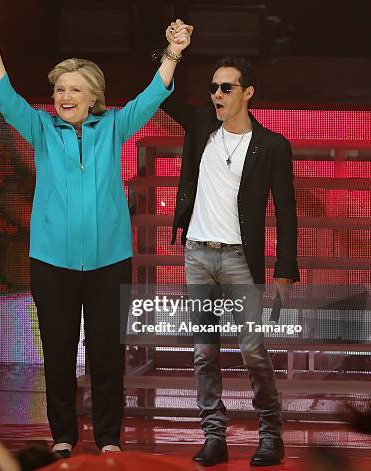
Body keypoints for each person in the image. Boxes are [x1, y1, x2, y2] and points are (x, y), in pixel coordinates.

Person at [0, 16, 192, 456]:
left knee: (107, 355)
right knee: (57, 354)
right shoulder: (40, 129)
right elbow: (4, 96)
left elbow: (153, 96)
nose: (64, 97)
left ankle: (109, 437)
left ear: (94, 96)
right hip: (51, 263)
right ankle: (63, 437)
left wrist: (172, 52)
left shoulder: (113, 127)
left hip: (108, 262)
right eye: (59, 89)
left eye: (74, 89)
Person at [159, 26, 299, 467]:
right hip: (198, 252)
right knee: (203, 352)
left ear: (247, 93)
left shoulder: (272, 146)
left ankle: (270, 435)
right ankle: (214, 436)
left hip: (241, 258)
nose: (216, 95)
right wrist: (172, 50)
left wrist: (284, 270)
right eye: (213, 87)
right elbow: (162, 95)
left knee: (253, 349)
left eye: (226, 87)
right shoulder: (202, 124)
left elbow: (287, 212)